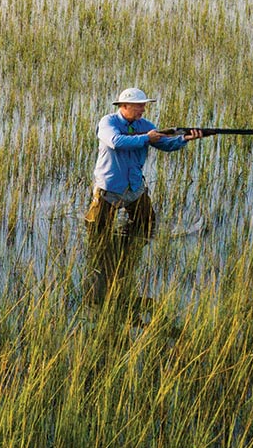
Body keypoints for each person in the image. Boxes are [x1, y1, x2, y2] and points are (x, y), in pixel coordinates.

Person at [84, 88, 204, 305]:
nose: (143, 108)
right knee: (97, 235)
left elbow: (164, 144)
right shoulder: (108, 123)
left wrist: (185, 138)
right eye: (138, 105)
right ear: (124, 106)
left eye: (144, 105)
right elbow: (116, 142)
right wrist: (145, 138)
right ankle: (107, 265)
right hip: (109, 188)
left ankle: (129, 250)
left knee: (147, 224)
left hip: (135, 187)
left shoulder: (146, 125)